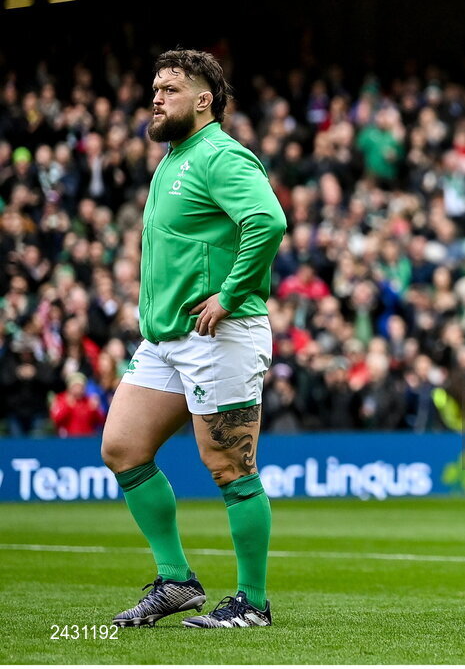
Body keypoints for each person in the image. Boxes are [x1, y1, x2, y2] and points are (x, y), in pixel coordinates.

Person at [100, 49, 286, 628]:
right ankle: (176, 581)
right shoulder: (173, 159)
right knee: (123, 448)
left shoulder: (219, 155)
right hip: (166, 338)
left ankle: (252, 602)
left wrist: (229, 294)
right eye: (155, 88)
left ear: (204, 100)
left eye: (170, 90)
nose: (156, 98)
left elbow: (269, 221)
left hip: (220, 333)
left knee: (230, 467)